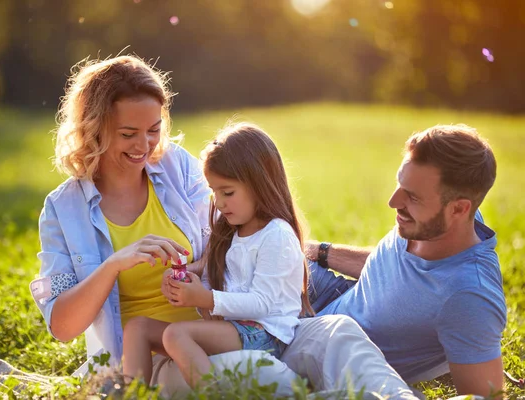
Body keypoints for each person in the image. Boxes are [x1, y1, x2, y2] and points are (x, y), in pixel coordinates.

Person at [29, 53, 417, 399]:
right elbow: (63, 326)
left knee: (337, 331)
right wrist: (115, 263)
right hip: (162, 358)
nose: (144, 146)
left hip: (241, 325)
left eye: (153, 130)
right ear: (94, 128)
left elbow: (236, 235)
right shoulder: (64, 210)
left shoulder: (175, 167)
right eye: (128, 133)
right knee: (257, 374)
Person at [306, 124, 507, 398]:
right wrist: (319, 252)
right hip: (330, 299)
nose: (393, 201)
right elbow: (392, 273)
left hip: (335, 357)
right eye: (400, 185)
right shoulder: (439, 223)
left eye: (412, 197)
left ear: (460, 209)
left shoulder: (469, 297)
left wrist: (472, 350)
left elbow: (487, 396)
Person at [151, 123, 310, 387]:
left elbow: (262, 304)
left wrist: (205, 298)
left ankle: (213, 394)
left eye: (228, 192)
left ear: (259, 184)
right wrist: (191, 281)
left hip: (264, 334)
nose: (219, 202)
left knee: (176, 336)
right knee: (143, 329)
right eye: (214, 191)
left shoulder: (276, 235)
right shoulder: (232, 231)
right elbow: (220, 281)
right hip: (238, 329)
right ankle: (127, 390)